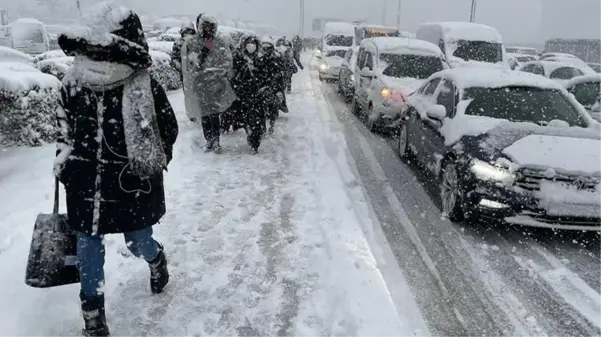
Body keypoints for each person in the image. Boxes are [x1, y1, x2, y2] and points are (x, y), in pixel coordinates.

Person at [54, 3, 178, 337]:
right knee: (87, 247)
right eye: (90, 47)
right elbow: (64, 129)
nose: (95, 54)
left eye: (102, 47)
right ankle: (93, 317)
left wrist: (149, 158)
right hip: (84, 183)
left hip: (130, 184)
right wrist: (64, 161)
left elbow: (168, 129)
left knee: (138, 241)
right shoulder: (73, 83)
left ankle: (155, 259)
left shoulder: (143, 85)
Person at [181, 13, 236, 153]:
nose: (208, 29)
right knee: (204, 113)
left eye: (211, 26)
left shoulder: (221, 42)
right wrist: (205, 51)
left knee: (215, 113)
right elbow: (192, 64)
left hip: (217, 84)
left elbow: (227, 62)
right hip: (200, 84)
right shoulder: (192, 42)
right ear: (200, 27)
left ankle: (216, 140)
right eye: (205, 26)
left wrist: (218, 72)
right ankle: (208, 140)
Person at [232, 34, 267, 154]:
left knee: (257, 120)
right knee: (245, 119)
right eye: (248, 43)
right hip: (243, 94)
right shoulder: (238, 57)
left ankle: (255, 143)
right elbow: (234, 76)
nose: (251, 46)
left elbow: (265, 75)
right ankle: (249, 133)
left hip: (257, 95)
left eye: (253, 44)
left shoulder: (261, 59)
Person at [259, 36, 287, 134]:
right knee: (259, 108)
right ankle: (262, 127)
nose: (266, 49)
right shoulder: (259, 59)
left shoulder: (277, 57)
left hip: (274, 85)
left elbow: (282, 70)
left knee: (275, 105)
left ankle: (272, 123)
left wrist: (277, 78)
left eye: (268, 47)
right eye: (264, 47)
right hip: (262, 86)